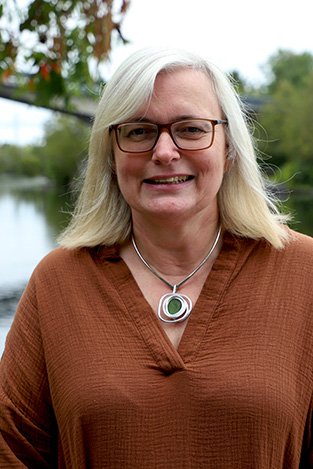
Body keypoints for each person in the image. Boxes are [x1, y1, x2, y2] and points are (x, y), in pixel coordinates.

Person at [0, 46, 313, 468]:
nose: (164, 152)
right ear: (110, 156)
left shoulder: (304, 275)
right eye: (138, 131)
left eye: (191, 129)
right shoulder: (57, 283)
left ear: (229, 148)